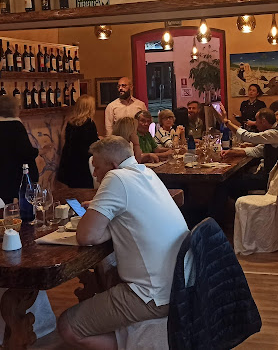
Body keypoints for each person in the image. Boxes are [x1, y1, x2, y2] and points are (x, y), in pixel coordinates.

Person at [57, 136, 188, 349]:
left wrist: (98, 213)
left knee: (68, 326)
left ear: (113, 165)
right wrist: (103, 208)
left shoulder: (116, 178)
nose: (95, 174)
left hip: (152, 295)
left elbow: (87, 236)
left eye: (97, 167)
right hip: (180, 284)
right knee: (108, 280)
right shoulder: (147, 173)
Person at [218, 107, 278, 202]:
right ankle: (240, 206)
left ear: (264, 121)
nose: (255, 124)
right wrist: (232, 152)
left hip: (270, 179)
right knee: (235, 178)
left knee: (227, 182)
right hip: (270, 175)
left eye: (256, 121)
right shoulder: (275, 133)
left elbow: (248, 136)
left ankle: (230, 208)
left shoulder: (275, 133)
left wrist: (227, 122)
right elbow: (257, 151)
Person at [57, 95, 101, 188]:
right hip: (83, 162)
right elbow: (93, 144)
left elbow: (65, 138)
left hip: (69, 160)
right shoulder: (89, 124)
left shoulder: (70, 122)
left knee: (72, 189)